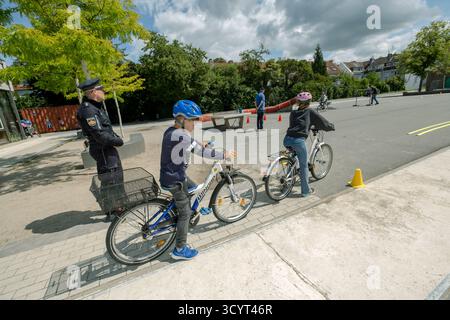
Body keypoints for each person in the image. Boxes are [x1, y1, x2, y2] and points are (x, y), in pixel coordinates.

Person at [160, 100, 235, 261]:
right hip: (175, 179)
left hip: (173, 174)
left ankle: (184, 213)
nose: (195, 123)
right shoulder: (181, 135)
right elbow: (201, 152)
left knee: (195, 188)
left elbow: (191, 143)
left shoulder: (172, 131)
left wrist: (203, 144)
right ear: (182, 119)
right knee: (185, 213)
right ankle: (179, 249)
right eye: (192, 120)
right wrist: (224, 155)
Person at [76, 78, 126, 216]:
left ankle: (114, 206)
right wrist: (118, 141)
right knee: (111, 179)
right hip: (103, 149)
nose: (104, 92)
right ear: (93, 92)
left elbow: (105, 130)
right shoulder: (89, 110)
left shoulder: (95, 107)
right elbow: (99, 135)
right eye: (101, 89)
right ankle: (115, 209)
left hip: (106, 148)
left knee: (112, 177)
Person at [284, 92, 335, 197]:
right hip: (298, 141)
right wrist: (331, 126)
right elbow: (322, 122)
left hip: (287, 139)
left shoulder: (293, 112)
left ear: (298, 102)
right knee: (304, 166)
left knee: (293, 158)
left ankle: (287, 182)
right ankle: (306, 191)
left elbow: (296, 125)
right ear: (309, 102)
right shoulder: (310, 111)